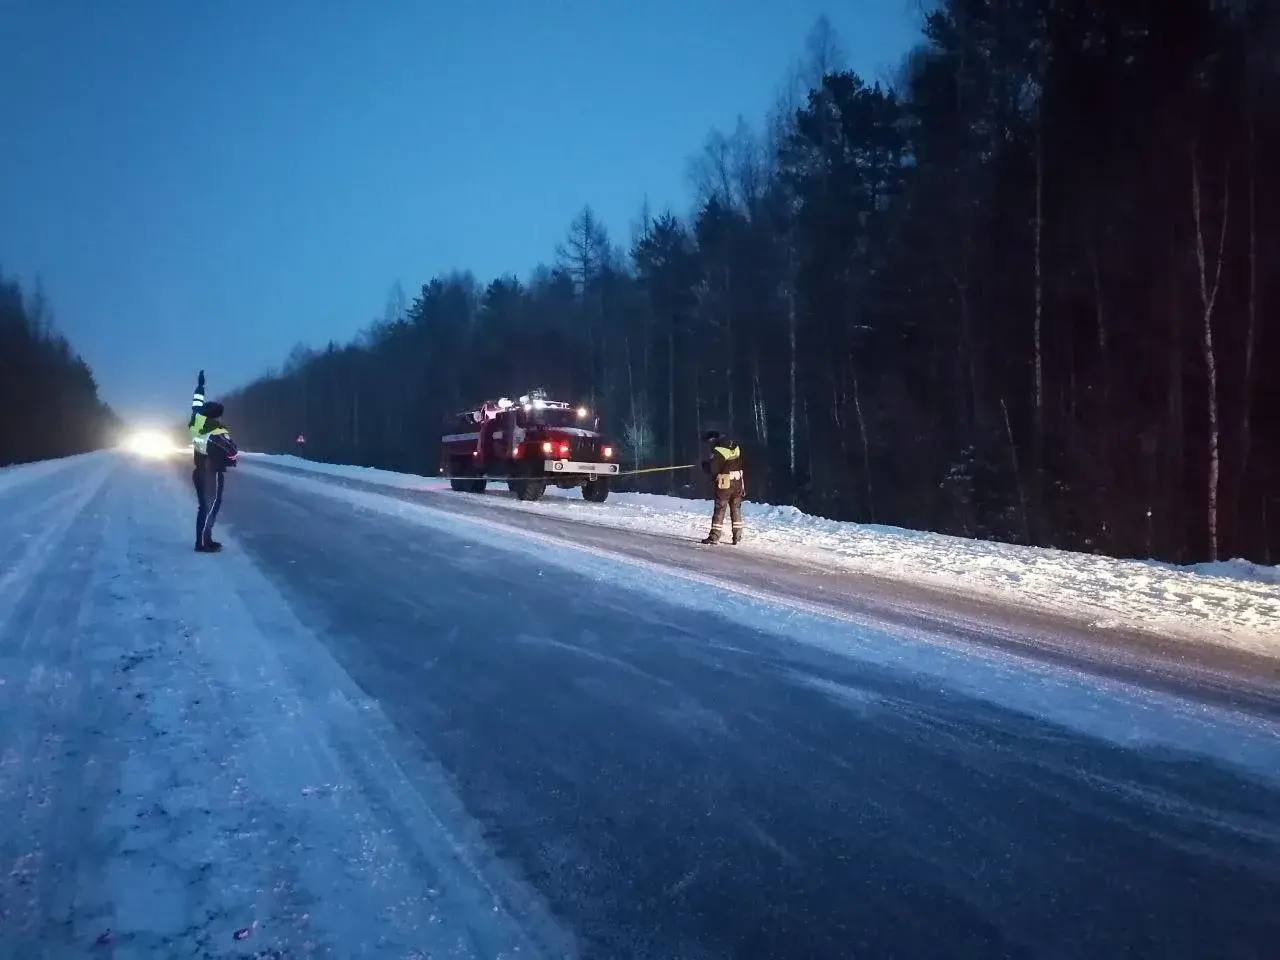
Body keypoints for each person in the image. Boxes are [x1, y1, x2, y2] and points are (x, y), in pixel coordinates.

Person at [188, 371, 238, 552]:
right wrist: (232, 452)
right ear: (216, 417)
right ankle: (202, 543)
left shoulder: (197, 425)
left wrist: (200, 388)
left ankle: (204, 539)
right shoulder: (217, 430)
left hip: (199, 470)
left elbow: (196, 406)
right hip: (212, 472)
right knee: (209, 507)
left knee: (204, 506)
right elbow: (232, 451)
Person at [700, 430, 745, 545]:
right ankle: (737, 537)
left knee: (720, 509)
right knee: (736, 509)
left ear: (712, 440)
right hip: (738, 481)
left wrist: (705, 465)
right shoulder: (735, 447)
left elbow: (713, 469)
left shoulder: (718, 451)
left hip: (725, 484)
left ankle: (714, 537)